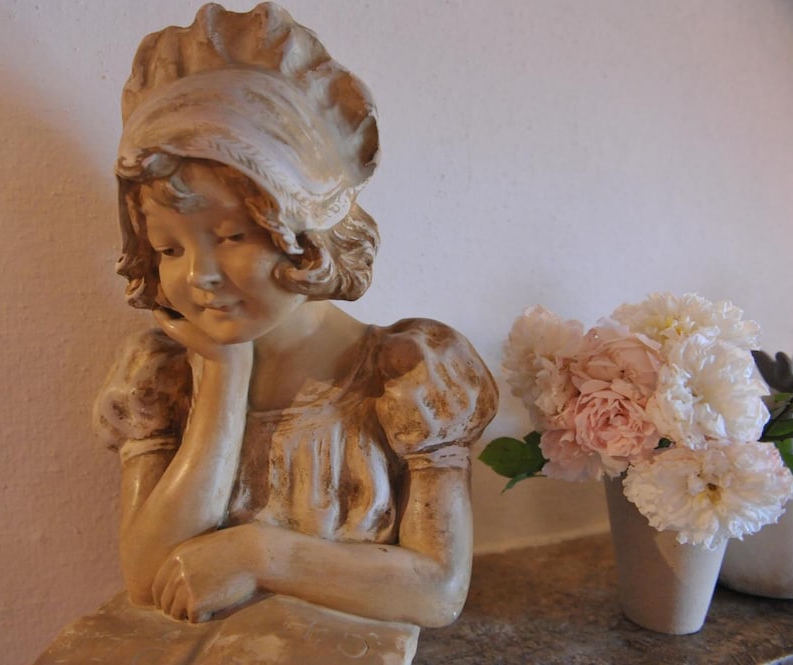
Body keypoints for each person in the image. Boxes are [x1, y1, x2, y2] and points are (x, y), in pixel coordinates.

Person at [36, 4, 497, 664]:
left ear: (306, 233)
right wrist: (223, 375)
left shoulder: (408, 374)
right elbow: (147, 577)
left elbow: (438, 589)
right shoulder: (162, 374)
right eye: (167, 249)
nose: (199, 276)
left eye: (232, 236)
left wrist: (259, 554)